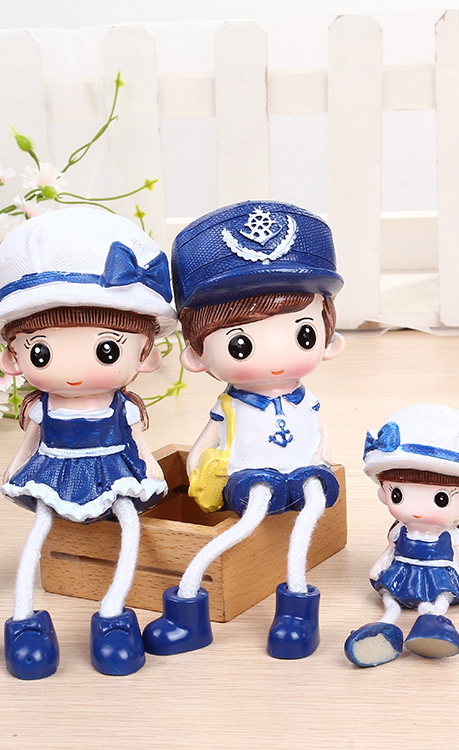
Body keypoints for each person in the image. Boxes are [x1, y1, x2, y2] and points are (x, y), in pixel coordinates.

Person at [0, 207, 176, 679]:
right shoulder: (42, 409)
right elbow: (30, 444)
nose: (72, 371)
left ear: (146, 354)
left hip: (113, 469)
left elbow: (137, 443)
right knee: (38, 534)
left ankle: (114, 616)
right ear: (12, 357)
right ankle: (25, 620)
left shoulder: (122, 408)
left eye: (107, 349)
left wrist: (150, 469)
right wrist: (16, 468)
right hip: (55, 469)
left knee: (130, 528)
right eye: (42, 351)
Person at [143, 200, 344, 659]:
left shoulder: (304, 398)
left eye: (303, 334)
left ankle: (297, 615)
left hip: (306, 471)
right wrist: (200, 471)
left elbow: (317, 430)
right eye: (241, 343)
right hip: (251, 477)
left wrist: (321, 458)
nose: (275, 357)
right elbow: (205, 447)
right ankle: (188, 610)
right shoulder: (231, 406)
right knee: (239, 528)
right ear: (196, 355)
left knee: (312, 512)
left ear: (329, 339)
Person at [344, 403, 459, 667]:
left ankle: (433, 624)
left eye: (440, 499)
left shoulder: (452, 536)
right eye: (398, 494)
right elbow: (390, 551)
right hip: (402, 571)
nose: (416, 510)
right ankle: (384, 626)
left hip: (438, 575)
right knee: (391, 598)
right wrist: (380, 565)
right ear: (383, 492)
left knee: (440, 598)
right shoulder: (401, 530)